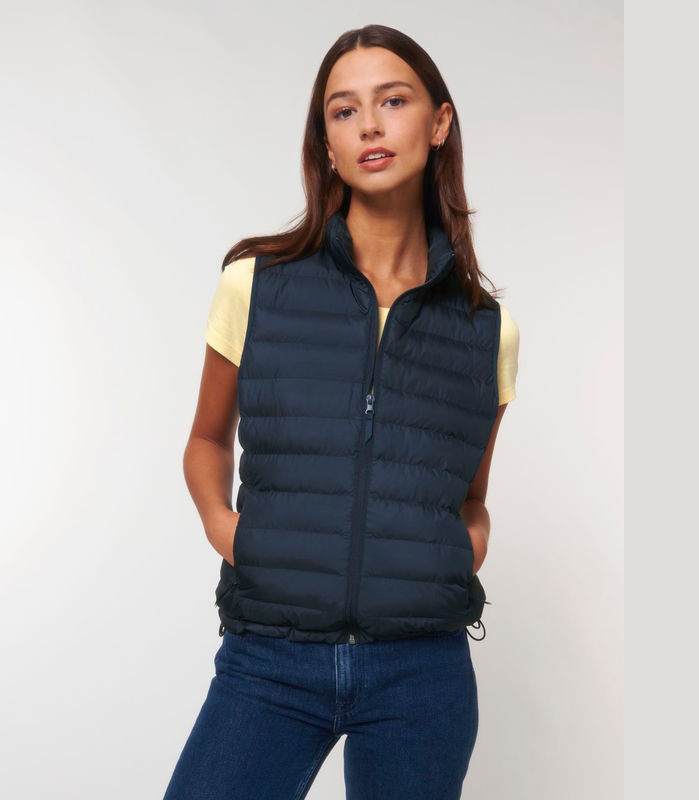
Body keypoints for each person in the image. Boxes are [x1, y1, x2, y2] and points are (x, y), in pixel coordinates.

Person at [162, 23, 520, 800]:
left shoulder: (486, 329)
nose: (369, 126)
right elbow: (205, 439)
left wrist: (469, 544)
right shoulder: (257, 285)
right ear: (326, 142)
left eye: (393, 101)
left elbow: (470, 493)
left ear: (439, 122)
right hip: (270, 658)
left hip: (421, 671)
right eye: (343, 110)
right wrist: (228, 529)